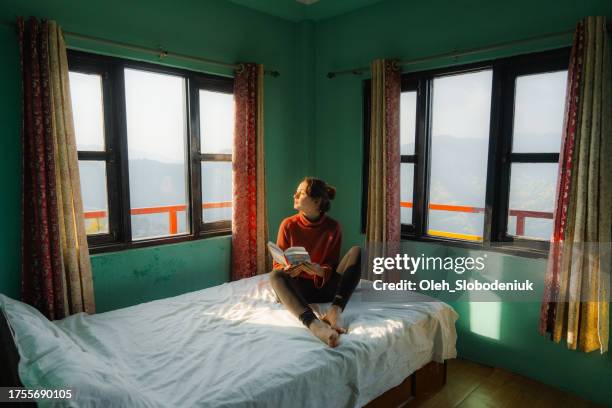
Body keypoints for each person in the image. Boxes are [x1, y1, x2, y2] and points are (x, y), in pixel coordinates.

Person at [269, 177, 361, 347]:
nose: (294, 195)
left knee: (356, 251)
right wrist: (287, 269)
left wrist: (319, 271)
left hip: (325, 289)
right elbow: (278, 264)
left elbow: (332, 265)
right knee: (276, 275)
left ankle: (335, 311)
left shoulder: (333, 227)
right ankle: (315, 325)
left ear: (317, 201)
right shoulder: (288, 225)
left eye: (301, 193)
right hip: (298, 290)